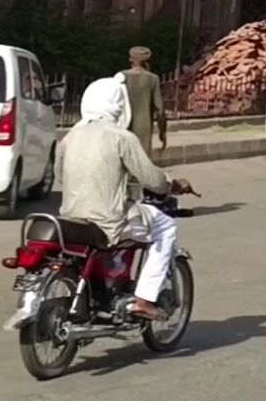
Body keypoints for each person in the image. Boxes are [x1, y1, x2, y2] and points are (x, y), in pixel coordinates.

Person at [59, 77, 190, 321]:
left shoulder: (69, 137)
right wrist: (171, 184)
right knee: (164, 225)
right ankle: (144, 299)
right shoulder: (122, 137)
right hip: (108, 220)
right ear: (118, 104)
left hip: (71, 218)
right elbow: (152, 179)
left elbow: (59, 176)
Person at [119, 45, 166, 158]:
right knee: (142, 163)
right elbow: (160, 109)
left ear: (131, 59)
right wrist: (162, 132)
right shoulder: (153, 79)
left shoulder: (121, 76)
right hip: (144, 128)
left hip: (123, 125)